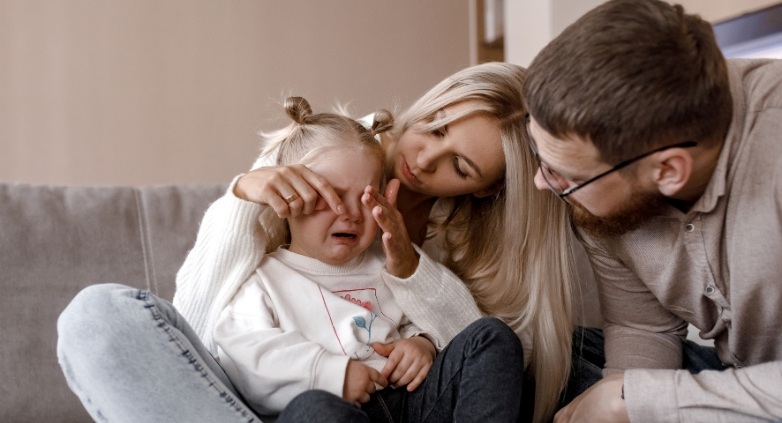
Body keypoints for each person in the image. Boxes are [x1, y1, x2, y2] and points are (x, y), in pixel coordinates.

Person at [58, 62, 581, 423]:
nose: (423, 159)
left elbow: (470, 345)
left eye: (460, 166)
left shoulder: (409, 258)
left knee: (509, 342)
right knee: (313, 409)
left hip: (407, 405)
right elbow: (208, 332)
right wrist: (244, 196)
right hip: (304, 405)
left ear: (487, 191)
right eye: (436, 128)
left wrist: (421, 335)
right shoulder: (314, 163)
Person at [523, 0, 782, 422]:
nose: (541, 183)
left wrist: (638, 401)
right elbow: (644, 329)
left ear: (668, 169)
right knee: (557, 354)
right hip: (735, 379)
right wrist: (620, 399)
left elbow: (640, 396)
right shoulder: (603, 199)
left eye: (564, 175)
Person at [212, 96, 524, 422]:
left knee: (491, 336)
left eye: (366, 197)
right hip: (337, 408)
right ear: (288, 198)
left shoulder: (388, 265)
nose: (349, 214)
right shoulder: (264, 280)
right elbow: (245, 354)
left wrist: (422, 344)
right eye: (328, 194)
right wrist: (332, 373)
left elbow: (426, 320)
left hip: (410, 402)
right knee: (313, 411)